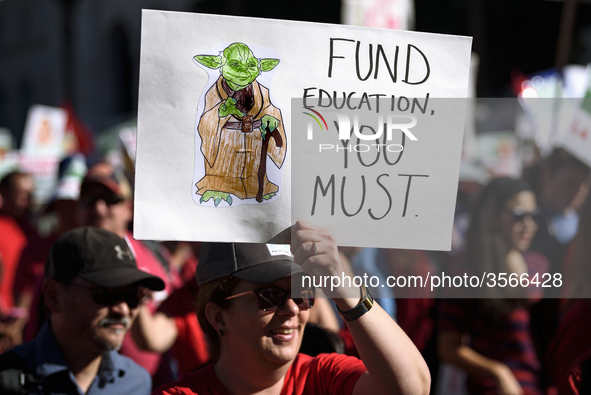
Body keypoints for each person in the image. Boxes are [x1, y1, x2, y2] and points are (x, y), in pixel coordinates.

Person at [154, 220, 430, 395]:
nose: (292, 308)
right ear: (218, 316)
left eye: (302, 293)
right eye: (270, 295)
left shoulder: (324, 376)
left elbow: (413, 389)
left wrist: (346, 291)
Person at [0, 227, 165, 394]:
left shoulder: (136, 382)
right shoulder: (7, 379)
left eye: (133, 296)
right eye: (106, 293)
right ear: (54, 295)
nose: (123, 309)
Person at [438, 177, 548, 395]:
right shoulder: (466, 270)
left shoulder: (539, 265)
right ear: (494, 216)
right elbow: (448, 347)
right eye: (518, 215)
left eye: (534, 216)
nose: (528, 224)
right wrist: (498, 372)